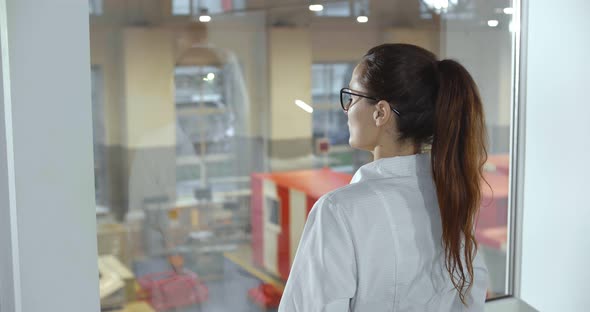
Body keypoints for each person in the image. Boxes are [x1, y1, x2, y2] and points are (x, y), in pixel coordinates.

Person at [278, 43, 489, 311]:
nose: (347, 108)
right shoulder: (454, 196)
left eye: (352, 97)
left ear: (380, 112)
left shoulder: (339, 210)